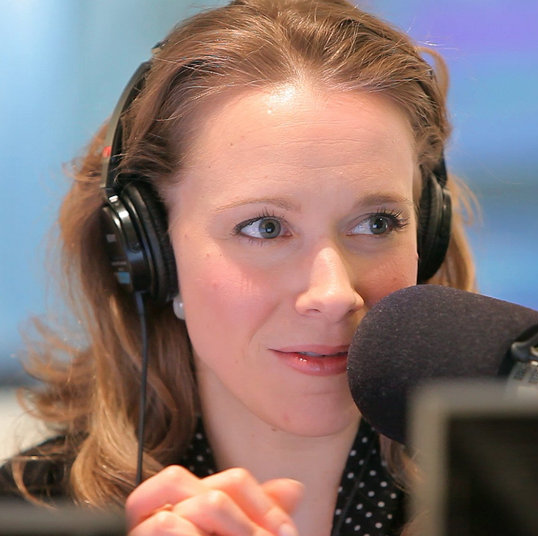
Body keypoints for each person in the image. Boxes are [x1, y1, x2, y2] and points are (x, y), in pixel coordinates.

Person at [0, 0, 477, 534]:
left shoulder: (532, 496)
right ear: (148, 250)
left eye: (378, 223)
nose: (335, 292)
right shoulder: (27, 513)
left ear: (427, 233)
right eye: (265, 228)